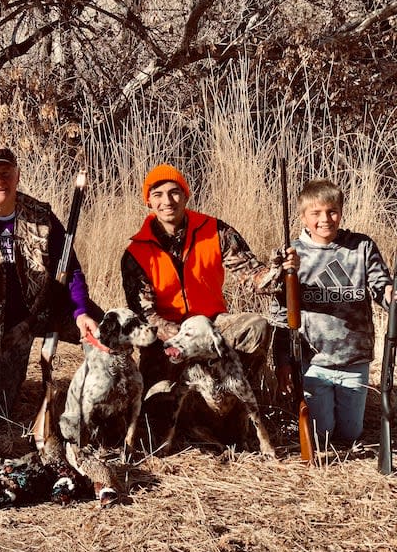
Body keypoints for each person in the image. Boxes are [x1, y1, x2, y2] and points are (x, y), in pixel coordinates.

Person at [0, 144, 101, 417]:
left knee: (112, 336)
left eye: (5, 173)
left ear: (18, 176)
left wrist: (81, 311)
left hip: (50, 308)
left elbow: (70, 269)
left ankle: (103, 401)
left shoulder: (42, 215)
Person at [121, 163, 298, 391]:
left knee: (256, 327)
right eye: (158, 195)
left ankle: (231, 394)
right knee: (160, 397)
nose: (167, 201)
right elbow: (144, 315)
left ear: (186, 195)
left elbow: (254, 276)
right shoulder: (136, 253)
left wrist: (277, 270)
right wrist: (185, 338)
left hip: (214, 324)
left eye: (175, 192)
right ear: (149, 202)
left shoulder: (215, 231)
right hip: (167, 338)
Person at [273, 179, 392, 444]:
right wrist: (282, 361)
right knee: (321, 437)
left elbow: (381, 287)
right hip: (313, 363)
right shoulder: (291, 254)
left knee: (351, 434)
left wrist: (391, 295)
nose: (325, 219)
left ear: (340, 211)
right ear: (303, 217)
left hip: (354, 361)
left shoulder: (361, 246)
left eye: (331, 211)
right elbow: (281, 315)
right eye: (315, 213)